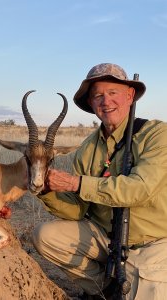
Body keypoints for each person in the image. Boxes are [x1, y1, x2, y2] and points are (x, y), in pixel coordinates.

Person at [32, 63, 167, 299]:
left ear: (130, 95)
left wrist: (77, 183)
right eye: (97, 96)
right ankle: (102, 290)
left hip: (154, 241)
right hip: (106, 238)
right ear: (91, 104)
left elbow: (140, 189)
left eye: (113, 93)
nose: (106, 101)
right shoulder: (87, 148)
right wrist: (46, 191)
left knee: (142, 288)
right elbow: (76, 211)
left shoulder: (157, 134)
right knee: (46, 235)